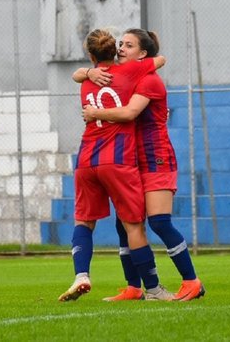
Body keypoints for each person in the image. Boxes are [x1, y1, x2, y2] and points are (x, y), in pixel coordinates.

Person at [75, 29, 205, 302]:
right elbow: (78, 75)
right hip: (133, 158)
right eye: (120, 43)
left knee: (158, 222)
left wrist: (94, 112)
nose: (121, 48)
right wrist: (87, 72)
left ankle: (192, 281)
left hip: (155, 157)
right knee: (126, 224)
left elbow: (129, 113)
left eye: (129, 45)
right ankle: (134, 288)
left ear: (143, 54)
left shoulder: (147, 81)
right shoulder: (124, 76)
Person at [58, 28, 172, 302]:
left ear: (89, 54)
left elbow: (76, 75)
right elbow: (160, 60)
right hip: (118, 159)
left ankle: (81, 275)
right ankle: (154, 289)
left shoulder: (86, 82)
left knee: (83, 222)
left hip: (86, 159)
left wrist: (86, 72)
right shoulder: (129, 73)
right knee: (133, 226)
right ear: (115, 51)